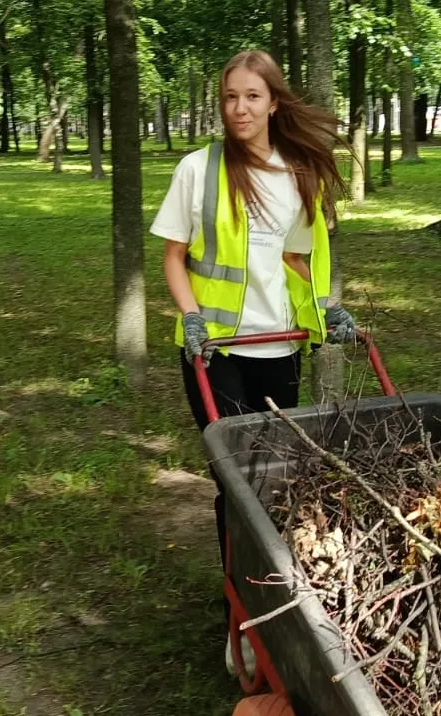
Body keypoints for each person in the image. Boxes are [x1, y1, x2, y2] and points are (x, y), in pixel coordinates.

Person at [149, 48, 360, 672]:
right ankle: (238, 617)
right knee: (236, 483)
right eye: (229, 98)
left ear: (273, 102)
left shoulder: (300, 173)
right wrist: (190, 317)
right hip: (213, 350)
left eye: (251, 97)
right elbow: (173, 256)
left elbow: (298, 261)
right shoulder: (200, 168)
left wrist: (328, 311)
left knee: (274, 482)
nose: (238, 109)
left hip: (279, 346)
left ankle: (271, 596)